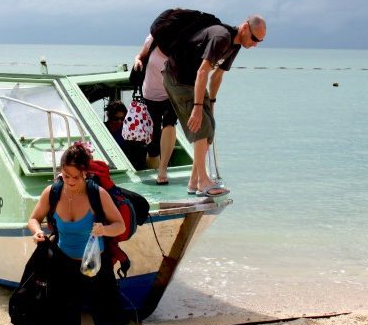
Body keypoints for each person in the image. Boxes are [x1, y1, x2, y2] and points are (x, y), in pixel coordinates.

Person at [26, 142, 128, 325]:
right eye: (66, 175)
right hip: (62, 263)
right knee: (61, 319)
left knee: (103, 314)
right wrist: (37, 232)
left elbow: (120, 226)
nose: (70, 181)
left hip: (95, 264)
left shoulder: (97, 194)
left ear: (85, 173)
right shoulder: (53, 192)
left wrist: (104, 229)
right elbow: (33, 218)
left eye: (75, 176)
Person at [152, 11, 267, 196]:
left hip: (191, 81)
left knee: (209, 126)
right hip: (178, 78)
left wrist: (211, 103)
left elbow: (217, 76)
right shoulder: (221, 37)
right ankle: (203, 182)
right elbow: (203, 72)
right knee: (201, 125)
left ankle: (194, 181)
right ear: (245, 27)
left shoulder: (235, 45)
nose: (254, 44)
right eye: (254, 38)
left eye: (259, 42)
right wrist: (197, 108)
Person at [131, 34, 178, 185]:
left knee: (170, 123)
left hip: (171, 94)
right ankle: (153, 167)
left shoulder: (183, 43)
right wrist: (137, 60)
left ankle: (162, 169)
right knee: (153, 143)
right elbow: (141, 55)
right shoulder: (153, 39)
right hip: (150, 95)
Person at [105, 100, 148, 169]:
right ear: (110, 117)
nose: (120, 122)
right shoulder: (103, 130)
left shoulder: (130, 130)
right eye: (116, 119)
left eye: (122, 118)